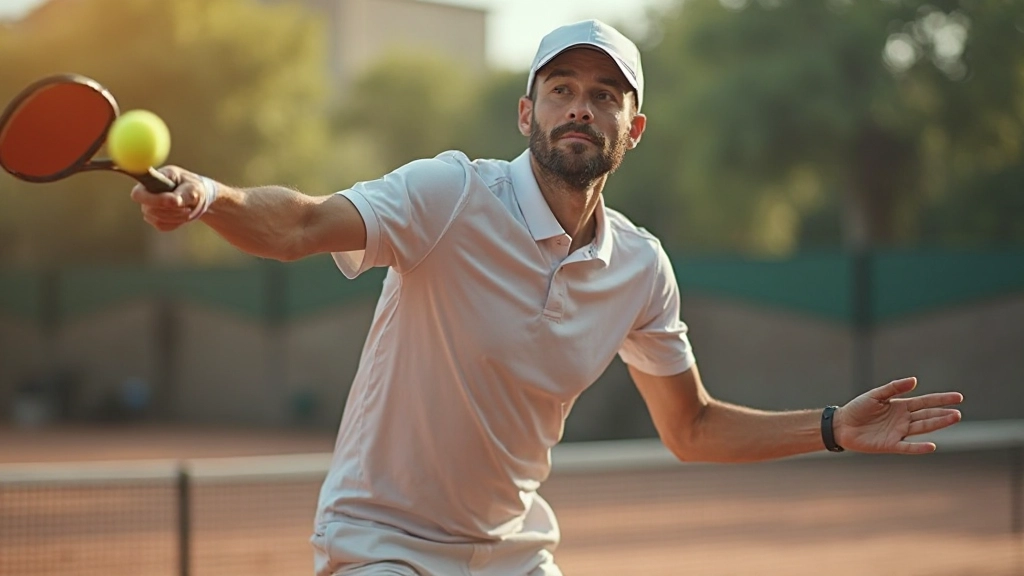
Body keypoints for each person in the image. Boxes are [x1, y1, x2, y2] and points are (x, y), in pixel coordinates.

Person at [131, 19, 964, 576]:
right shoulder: (449, 194)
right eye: (562, 89)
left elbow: (693, 428)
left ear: (633, 128)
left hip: (513, 553)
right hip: (383, 543)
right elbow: (302, 224)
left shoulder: (641, 268)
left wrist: (832, 428)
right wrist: (209, 197)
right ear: (526, 111)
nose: (580, 108)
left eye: (604, 95)